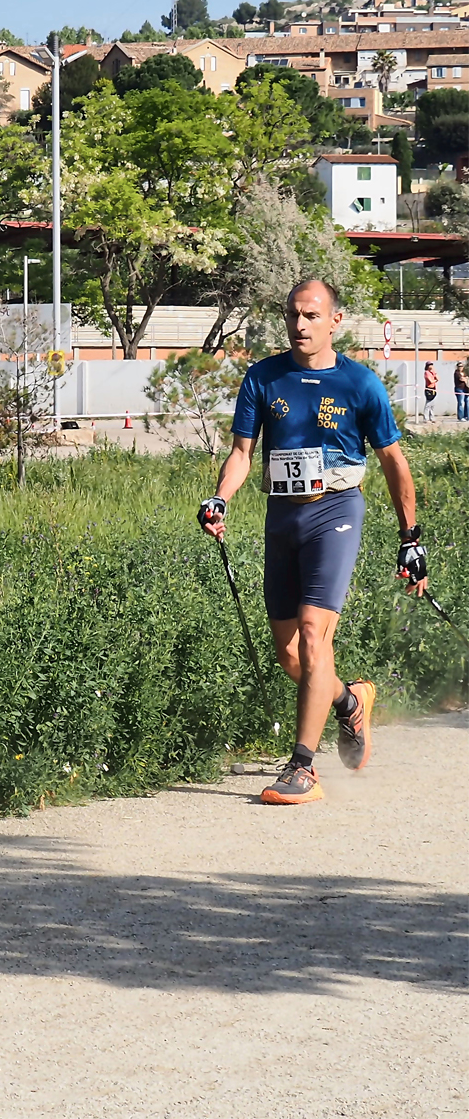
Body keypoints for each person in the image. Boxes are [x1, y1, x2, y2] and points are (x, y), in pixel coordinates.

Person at [199, 280, 427, 806]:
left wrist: (410, 537)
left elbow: (393, 461)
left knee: (313, 632)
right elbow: (241, 453)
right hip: (282, 517)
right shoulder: (264, 377)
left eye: (310, 315)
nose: (299, 325)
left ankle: (303, 767)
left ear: (335, 321)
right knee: (290, 654)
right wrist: (220, 499)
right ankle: (349, 701)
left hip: (337, 512)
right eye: (292, 315)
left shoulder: (361, 384)